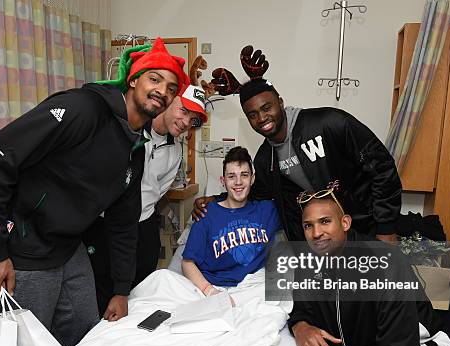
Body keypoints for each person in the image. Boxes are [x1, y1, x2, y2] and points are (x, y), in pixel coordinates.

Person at [0, 38, 189, 346]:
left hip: (70, 249)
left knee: (84, 341)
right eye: (155, 79)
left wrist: (121, 289)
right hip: (24, 248)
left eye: (171, 87)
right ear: (133, 79)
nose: (162, 92)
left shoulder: (136, 147)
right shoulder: (83, 110)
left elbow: (123, 221)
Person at [193, 46, 402, 244]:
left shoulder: (329, 123)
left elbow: (381, 167)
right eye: (252, 115)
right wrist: (217, 200)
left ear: (280, 102)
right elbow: (257, 195)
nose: (262, 118)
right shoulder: (266, 159)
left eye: (267, 107)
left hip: (365, 225)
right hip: (322, 238)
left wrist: (386, 227)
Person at [288, 187, 450, 346]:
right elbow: (303, 308)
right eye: (308, 225)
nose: (316, 233)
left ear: (345, 223)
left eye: (325, 221)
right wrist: (300, 326)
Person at [84, 84, 208, 316]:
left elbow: (159, 191)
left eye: (192, 120)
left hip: (143, 227)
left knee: (140, 296)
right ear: (169, 100)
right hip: (106, 227)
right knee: (103, 294)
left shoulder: (175, 152)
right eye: (183, 111)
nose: (185, 122)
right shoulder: (132, 128)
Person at [182, 146, 281, 296]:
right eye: (231, 176)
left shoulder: (268, 210)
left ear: (253, 179)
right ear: (223, 181)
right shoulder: (206, 214)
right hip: (213, 286)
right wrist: (210, 291)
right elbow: (187, 263)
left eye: (244, 175)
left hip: (253, 287)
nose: (238, 182)